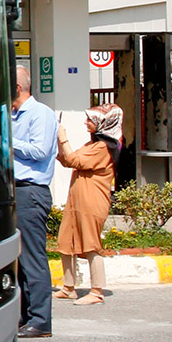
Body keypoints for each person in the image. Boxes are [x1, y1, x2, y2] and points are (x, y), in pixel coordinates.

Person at [11, 65, 59, 338]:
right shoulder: (12, 114)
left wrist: (8, 141)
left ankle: (40, 320)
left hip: (31, 190)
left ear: (17, 88)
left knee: (32, 258)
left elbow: (40, 150)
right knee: (18, 260)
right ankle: (23, 316)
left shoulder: (40, 113)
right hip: (14, 190)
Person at [57, 105, 121, 307]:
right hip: (76, 200)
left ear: (103, 123)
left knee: (91, 244)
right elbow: (67, 160)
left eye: (90, 120)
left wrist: (63, 138)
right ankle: (68, 287)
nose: (86, 122)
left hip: (91, 201)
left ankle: (96, 291)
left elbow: (75, 160)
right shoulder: (92, 144)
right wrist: (58, 142)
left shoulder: (104, 147)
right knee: (66, 241)